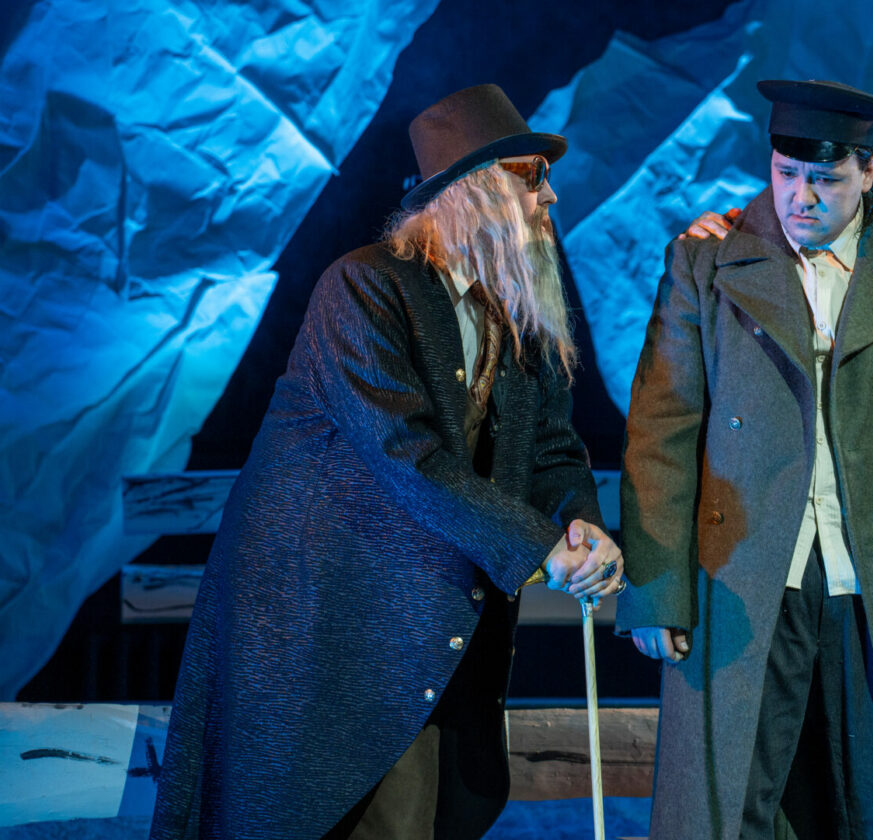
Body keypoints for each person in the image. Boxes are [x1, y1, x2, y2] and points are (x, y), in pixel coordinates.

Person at [149, 83, 624, 840]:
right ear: (474, 189)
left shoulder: (514, 311)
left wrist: (583, 528)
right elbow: (407, 457)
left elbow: (553, 449)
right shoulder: (366, 287)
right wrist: (542, 550)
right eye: (531, 177)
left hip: (430, 628)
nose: (549, 197)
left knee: (432, 815)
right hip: (336, 631)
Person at [615, 78, 873, 840]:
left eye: (827, 179)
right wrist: (656, 589)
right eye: (787, 173)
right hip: (745, 580)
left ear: (869, 172)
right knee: (733, 806)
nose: (802, 197)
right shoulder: (707, 263)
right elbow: (660, 434)